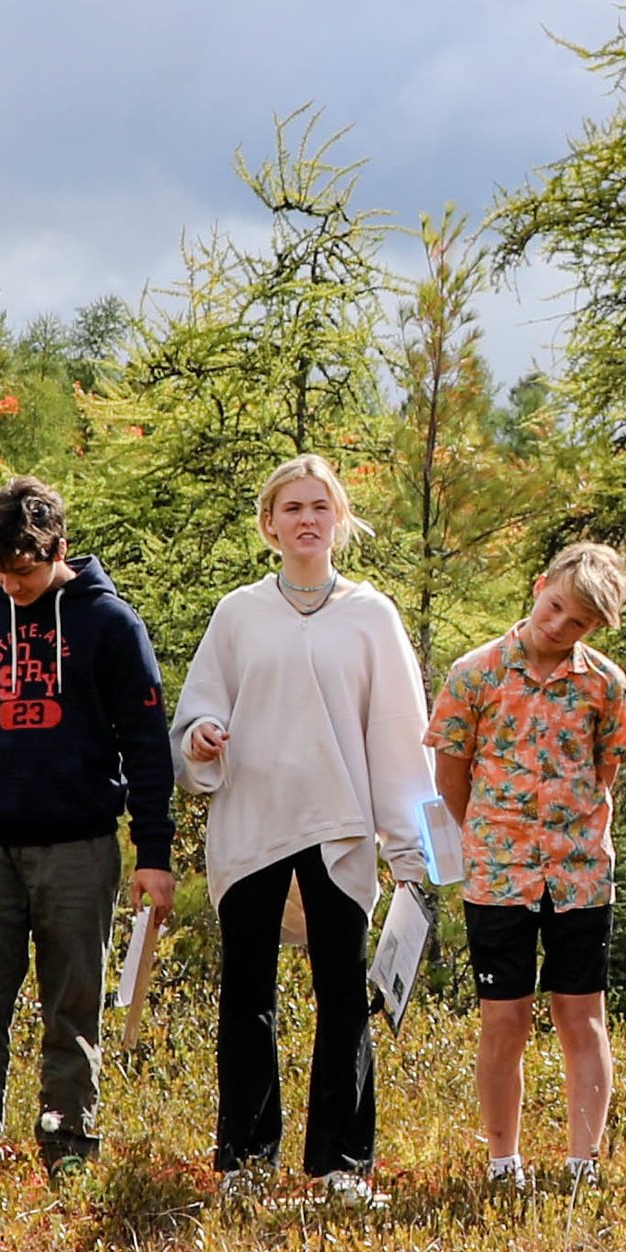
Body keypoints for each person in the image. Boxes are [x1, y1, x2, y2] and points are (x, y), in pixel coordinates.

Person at [171, 453, 441, 1208]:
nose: (307, 519)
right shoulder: (238, 612)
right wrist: (201, 739)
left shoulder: (371, 615)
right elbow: (196, 713)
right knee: (247, 995)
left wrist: (409, 849)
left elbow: (398, 734)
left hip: (340, 826)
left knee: (342, 994)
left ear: (340, 519)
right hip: (253, 823)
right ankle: (246, 1161)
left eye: (321, 506)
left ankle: (340, 1165)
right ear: (270, 523)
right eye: (292, 507)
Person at [0, 475, 176, 1202]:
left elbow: (148, 745)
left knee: (73, 1004)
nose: (11, 581)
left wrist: (154, 853)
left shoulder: (110, 625)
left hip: (80, 844)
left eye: (24, 568)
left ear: (59, 548)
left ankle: (68, 1140)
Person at [432, 542, 626, 1194]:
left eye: (577, 621)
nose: (558, 625)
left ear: (595, 628)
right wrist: (489, 841)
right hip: (498, 876)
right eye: (554, 607)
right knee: (504, 1019)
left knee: (582, 1015)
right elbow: (450, 778)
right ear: (539, 584)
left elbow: (606, 769)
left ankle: (583, 1163)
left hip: (580, 876)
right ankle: (503, 1165)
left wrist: (569, 832)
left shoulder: (605, 684)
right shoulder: (477, 674)